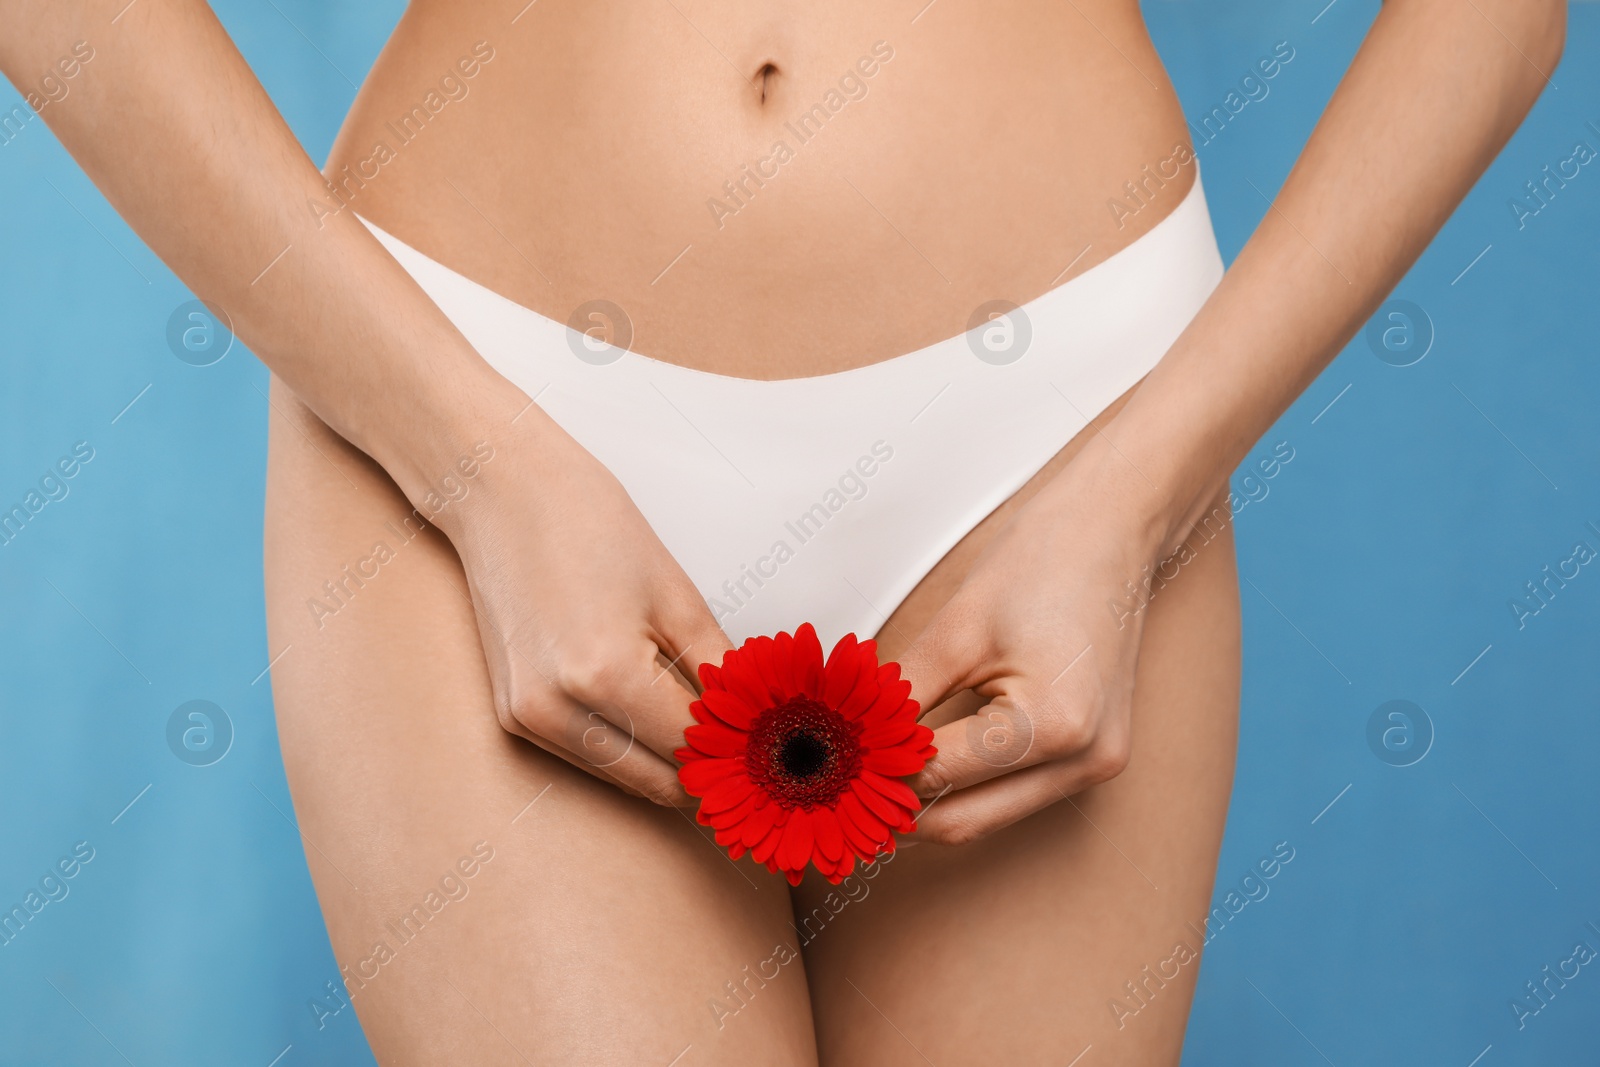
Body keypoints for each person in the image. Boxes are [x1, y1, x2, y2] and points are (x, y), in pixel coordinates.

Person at [1, 0, 1562, 1062]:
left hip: (1064, 443)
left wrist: (1142, 483)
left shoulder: (1109, 474)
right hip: (481, 398)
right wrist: (473, 468)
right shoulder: (472, 450)